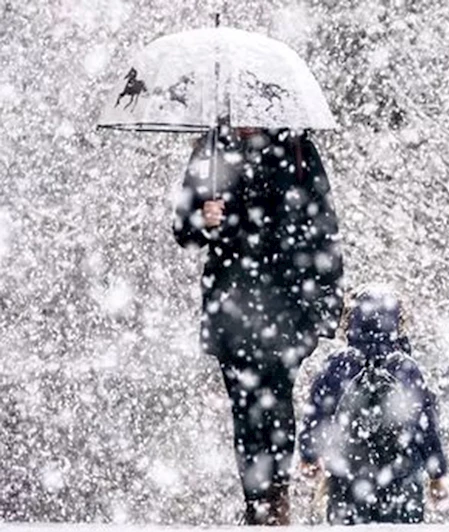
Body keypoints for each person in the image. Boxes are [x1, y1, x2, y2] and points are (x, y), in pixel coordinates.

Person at [173, 126, 343, 525]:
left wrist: (324, 308)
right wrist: (202, 218)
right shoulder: (212, 149)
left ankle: (274, 500)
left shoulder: (299, 150)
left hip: (286, 308)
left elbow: (324, 229)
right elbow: (184, 230)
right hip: (231, 309)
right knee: (246, 411)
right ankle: (258, 505)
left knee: (277, 405)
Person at [298, 285, 448, 524]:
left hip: (347, 477)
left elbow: (318, 413)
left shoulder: (337, 364)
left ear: (352, 320)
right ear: (397, 323)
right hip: (402, 480)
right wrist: (437, 473)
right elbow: (425, 425)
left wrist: (309, 453)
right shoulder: (406, 367)